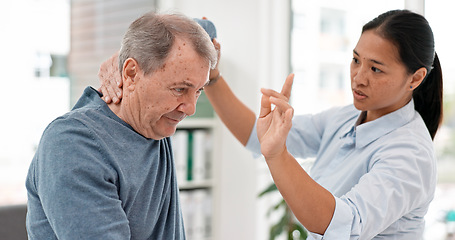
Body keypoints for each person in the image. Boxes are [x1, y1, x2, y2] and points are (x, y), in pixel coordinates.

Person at [99, 9, 443, 239]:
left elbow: (342, 223)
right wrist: (213, 78)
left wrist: (277, 154)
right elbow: (255, 136)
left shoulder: (409, 154)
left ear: (415, 78)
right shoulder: (344, 119)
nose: (358, 77)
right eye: (355, 60)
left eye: (376, 68)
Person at [26, 11, 217, 239]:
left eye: (198, 91)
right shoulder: (73, 144)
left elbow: (206, 28)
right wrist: (131, 54)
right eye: (179, 89)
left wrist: (127, 52)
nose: (190, 108)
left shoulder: (152, 119)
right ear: (131, 73)